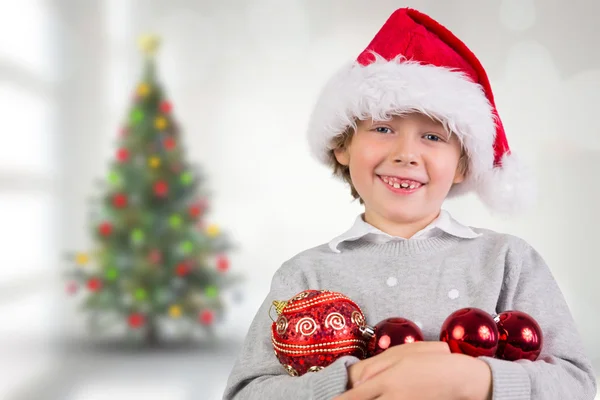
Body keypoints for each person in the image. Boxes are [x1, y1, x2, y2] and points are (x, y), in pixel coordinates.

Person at [222, 7, 597, 400]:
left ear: (462, 165)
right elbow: (245, 392)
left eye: (432, 137)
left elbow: (576, 383)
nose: (406, 154)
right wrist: (352, 380)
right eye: (383, 128)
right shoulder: (305, 275)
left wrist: (480, 380)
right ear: (343, 146)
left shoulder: (509, 262)